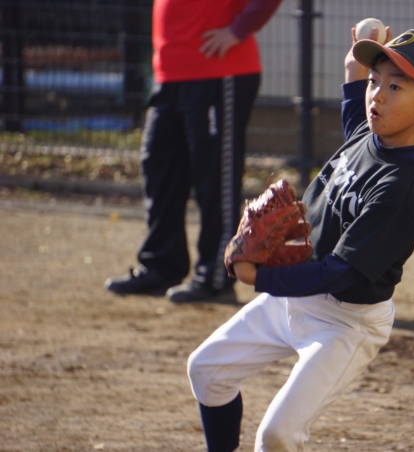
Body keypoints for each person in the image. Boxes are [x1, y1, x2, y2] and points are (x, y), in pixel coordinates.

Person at [187, 24, 414, 451]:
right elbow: (354, 108)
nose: (377, 95)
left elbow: (340, 272)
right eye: (375, 81)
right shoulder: (370, 134)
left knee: (277, 435)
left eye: (395, 86)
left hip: (345, 323)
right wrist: (354, 68)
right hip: (297, 294)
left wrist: (259, 277)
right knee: (206, 370)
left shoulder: (399, 188)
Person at [105, 0, 284, 302]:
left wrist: (238, 30)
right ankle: (161, 267)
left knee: (214, 178)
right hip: (170, 73)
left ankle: (215, 277)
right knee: (159, 170)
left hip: (218, 70)